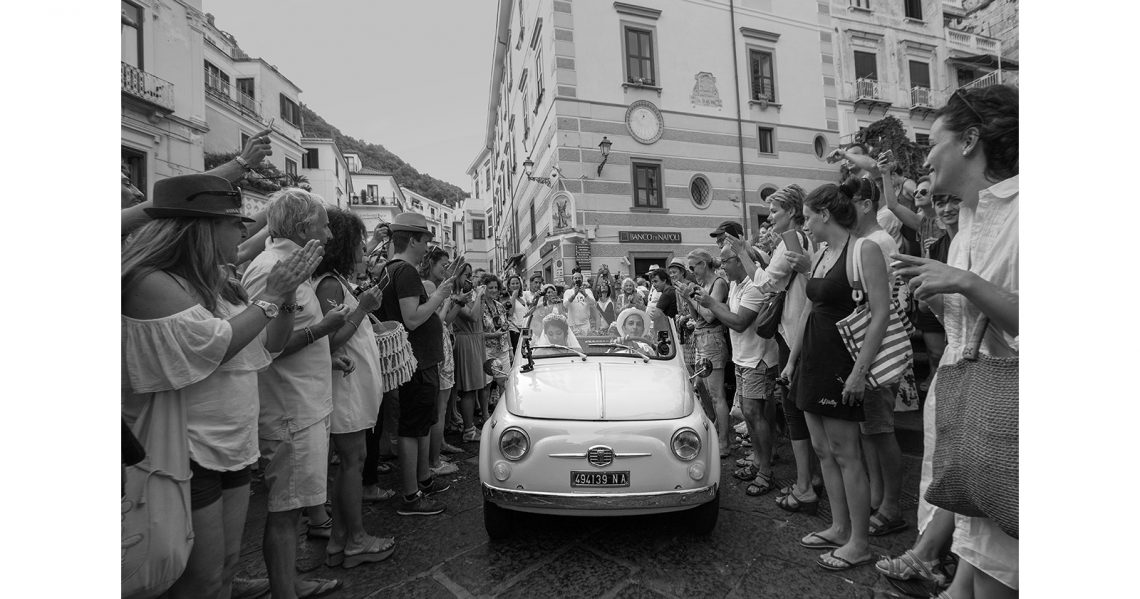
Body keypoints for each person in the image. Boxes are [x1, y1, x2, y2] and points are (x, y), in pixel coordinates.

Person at [122, 175, 324, 598]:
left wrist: (282, 299)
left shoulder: (218, 280)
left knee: (226, 566)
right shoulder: (148, 281)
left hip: (232, 447)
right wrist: (271, 295)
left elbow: (270, 342)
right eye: (235, 223)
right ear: (202, 228)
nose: (246, 231)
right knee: (197, 580)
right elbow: (217, 345)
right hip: (185, 452)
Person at [891, 85, 1019, 599]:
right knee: (969, 569)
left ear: (970, 140)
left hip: (1008, 428)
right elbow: (970, 328)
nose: (926, 159)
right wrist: (938, 295)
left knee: (993, 578)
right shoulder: (968, 220)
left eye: (932, 144)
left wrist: (962, 282)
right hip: (970, 418)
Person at [239, 188, 350, 599]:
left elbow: (287, 334)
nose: (330, 235)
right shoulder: (271, 267)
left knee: (292, 506)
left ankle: (289, 581)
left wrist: (325, 355)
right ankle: (285, 590)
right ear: (304, 228)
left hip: (302, 403)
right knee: (284, 509)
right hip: (289, 408)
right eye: (324, 225)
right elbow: (261, 343)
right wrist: (321, 332)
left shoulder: (289, 264)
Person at [792, 180, 892, 572]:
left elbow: (881, 313)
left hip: (842, 363)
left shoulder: (864, 249)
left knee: (848, 454)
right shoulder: (820, 253)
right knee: (822, 450)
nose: (806, 225)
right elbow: (809, 308)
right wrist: (792, 361)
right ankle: (838, 527)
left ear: (825, 214)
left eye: (807, 217)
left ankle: (860, 542)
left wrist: (858, 372)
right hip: (813, 361)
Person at [725, 184, 821, 511]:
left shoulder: (791, 241)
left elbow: (765, 283)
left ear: (792, 212)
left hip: (794, 332)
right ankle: (810, 479)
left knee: (796, 412)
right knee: (797, 412)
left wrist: (742, 252)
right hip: (795, 330)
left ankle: (806, 481)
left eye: (775, 210)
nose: (770, 216)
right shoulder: (798, 240)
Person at [311, 207, 396, 568]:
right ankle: (355, 539)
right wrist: (363, 308)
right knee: (351, 463)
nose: (364, 252)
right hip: (345, 387)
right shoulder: (329, 284)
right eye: (359, 245)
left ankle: (339, 542)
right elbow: (330, 342)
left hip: (355, 385)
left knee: (353, 461)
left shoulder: (337, 280)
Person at [376, 212, 458, 517]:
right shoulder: (406, 272)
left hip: (415, 361)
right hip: (418, 361)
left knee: (418, 425)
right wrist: (439, 295)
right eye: (425, 241)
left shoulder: (389, 270)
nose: (427, 248)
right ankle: (411, 496)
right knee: (412, 429)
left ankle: (423, 478)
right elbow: (412, 318)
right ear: (412, 239)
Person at [841, 176, 910, 538]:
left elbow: (879, 306)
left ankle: (892, 507)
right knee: (871, 430)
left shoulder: (876, 241)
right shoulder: (864, 240)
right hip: (870, 345)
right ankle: (880, 499)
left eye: (847, 202)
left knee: (881, 432)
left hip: (877, 347)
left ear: (866, 204)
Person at [690, 244, 779, 496]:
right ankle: (758, 460)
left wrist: (710, 303)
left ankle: (765, 471)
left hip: (758, 358)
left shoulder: (752, 285)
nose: (721, 265)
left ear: (741, 261)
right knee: (750, 414)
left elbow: (739, 323)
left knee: (753, 412)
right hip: (743, 357)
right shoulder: (737, 286)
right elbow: (727, 313)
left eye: (725, 261)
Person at [420, 246, 465, 477]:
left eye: (448, 265)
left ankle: (438, 449)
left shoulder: (434, 287)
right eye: (443, 265)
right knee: (440, 406)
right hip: (437, 347)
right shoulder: (429, 286)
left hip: (441, 344)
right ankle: (434, 461)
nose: (446, 269)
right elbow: (436, 320)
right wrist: (447, 298)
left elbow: (445, 321)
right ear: (430, 263)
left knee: (442, 405)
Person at [685, 248, 731, 457]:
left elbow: (711, 316)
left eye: (693, 266)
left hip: (712, 338)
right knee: (701, 386)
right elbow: (696, 314)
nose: (691, 271)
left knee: (716, 394)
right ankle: (715, 428)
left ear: (704, 264)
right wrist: (688, 298)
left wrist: (692, 297)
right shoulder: (703, 285)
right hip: (701, 338)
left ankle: (724, 442)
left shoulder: (718, 283)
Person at [451, 263, 486, 442]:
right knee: (468, 389)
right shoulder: (456, 296)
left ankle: (469, 425)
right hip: (466, 341)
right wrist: (479, 295)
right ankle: (468, 429)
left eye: (470, 275)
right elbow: (472, 316)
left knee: (474, 387)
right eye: (466, 275)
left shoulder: (466, 294)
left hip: (475, 339)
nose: (470, 279)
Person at [563, 271, 595, 336]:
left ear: (582, 279)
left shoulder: (588, 291)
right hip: (572, 325)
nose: (577, 280)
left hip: (585, 325)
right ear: (572, 280)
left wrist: (584, 294)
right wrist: (574, 295)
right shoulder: (568, 292)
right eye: (575, 278)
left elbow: (593, 302)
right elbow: (565, 305)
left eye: (579, 278)